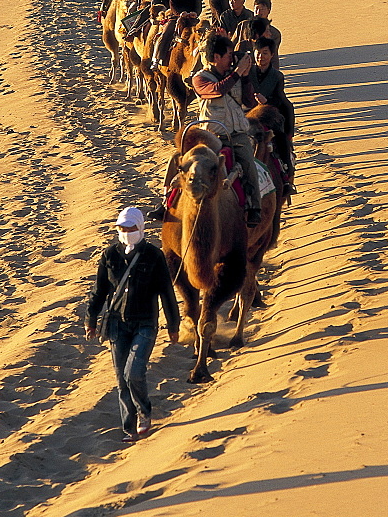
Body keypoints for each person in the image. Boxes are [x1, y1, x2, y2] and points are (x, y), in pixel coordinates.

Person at [84, 207, 180, 442]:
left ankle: (144, 412)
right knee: (120, 378)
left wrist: (174, 325)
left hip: (145, 323)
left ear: (141, 229)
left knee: (133, 373)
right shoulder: (109, 256)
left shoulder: (154, 256)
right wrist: (91, 319)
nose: (127, 233)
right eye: (122, 229)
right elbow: (99, 291)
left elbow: (167, 293)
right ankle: (129, 426)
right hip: (117, 325)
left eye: (131, 228)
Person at [192, 32, 261, 226]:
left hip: (236, 134)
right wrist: (237, 73)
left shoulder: (236, 76)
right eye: (229, 55)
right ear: (216, 58)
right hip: (210, 135)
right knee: (183, 161)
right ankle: (168, 200)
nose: (232, 59)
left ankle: (254, 207)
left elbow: (249, 102)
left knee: (248, 163)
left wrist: (246, 78)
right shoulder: (200, 79)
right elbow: (216, 90)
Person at [249, 37, 295, 139]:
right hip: (247, 111)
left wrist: (267, 101)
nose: (261, 56)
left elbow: (279, 98)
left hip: (268, 113)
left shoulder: (277, 76)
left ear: (272, 55)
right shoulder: (247, 72)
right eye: (258, 53)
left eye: (265, 53)